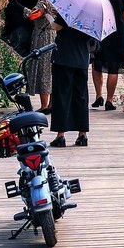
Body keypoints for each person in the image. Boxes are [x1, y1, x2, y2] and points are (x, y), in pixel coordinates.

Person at [47, 10, 91, 147]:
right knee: (81, 96)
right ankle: (82, 135)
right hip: (82, 58)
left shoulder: (70, 8)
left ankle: (60, 136)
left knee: (61, 96)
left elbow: (56, 26)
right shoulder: (92, 14)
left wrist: (48, 16)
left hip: (64, 58)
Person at [91, 0, 124, 111]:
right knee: (114, 68)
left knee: (97, 64)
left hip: (100, 33)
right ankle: (109, 100)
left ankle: (98, 96)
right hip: (116, 34)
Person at [13, 0, 56, 112]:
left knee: (43, 69)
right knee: (51, 69)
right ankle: (52, 104)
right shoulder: (56, 1)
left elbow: (33, 15)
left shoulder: (43, 1)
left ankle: (44, 106)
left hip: (43, 37)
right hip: (53, 36)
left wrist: (17, 5)